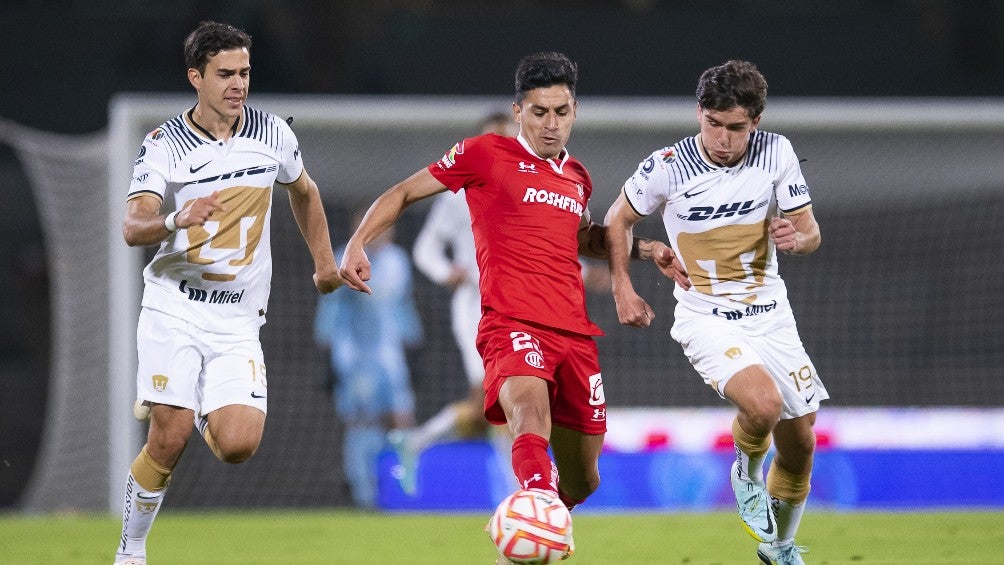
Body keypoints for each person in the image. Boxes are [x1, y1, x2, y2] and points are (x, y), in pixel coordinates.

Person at [338, 52, 678, 562]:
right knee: (526, 409)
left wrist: (645, 248)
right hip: (510, 321)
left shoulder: (576, 177)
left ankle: (531, 526)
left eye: (561, 112)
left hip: (574, 333)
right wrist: (358, 241)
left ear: (575, 112)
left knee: (584, 480)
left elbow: (582, 237)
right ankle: (534, 501)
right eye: (539, 112)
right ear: (519, 111)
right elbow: (407, 191)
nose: (551, 123)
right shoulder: (485, 154)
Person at [114, 21, 342, 565]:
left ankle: (195, 407)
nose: (238, 84)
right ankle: (131, 548)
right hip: (175, 306)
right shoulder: (164, 145)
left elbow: (304, 193)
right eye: (225, 74)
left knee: (239, 446)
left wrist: (325, 263)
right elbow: (132, 226)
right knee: (166, 440)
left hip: (239, 318)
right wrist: (176, 217)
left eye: (244, 73)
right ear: (196, 77)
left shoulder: (273, 134)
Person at [604, 60, 827, 565]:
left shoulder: (778, 153)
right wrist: (623, 286)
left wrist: (799, 239)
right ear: (699, 113)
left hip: (771, 313)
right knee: (764, 405)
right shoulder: (667, 166)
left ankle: (780, 548)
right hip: (705, 314)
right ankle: (745, 473)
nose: (723, 138)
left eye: (736, 128)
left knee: (800, 445)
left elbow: (810, 232)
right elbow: (616, 219)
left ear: (756, 123)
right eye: (713, 124)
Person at [390, 111, 517, 496]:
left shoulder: (527, 190)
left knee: (490, 407)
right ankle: (520, 495)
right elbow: (425, 247)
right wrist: (447, 271)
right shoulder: (461, 193)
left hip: (517, 307)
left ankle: (414, 442)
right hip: (475, 309)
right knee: (502, 399)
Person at [314, 211, 422, 508]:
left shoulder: (397, 261)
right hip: (353, 354)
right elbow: (330, 309)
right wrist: (328, 347)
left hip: (391, 354)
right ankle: (364, 492)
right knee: (362, 421)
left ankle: (406, 489)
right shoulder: (342, 259)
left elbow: (403, 303)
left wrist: (413, 337)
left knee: (402, 417)